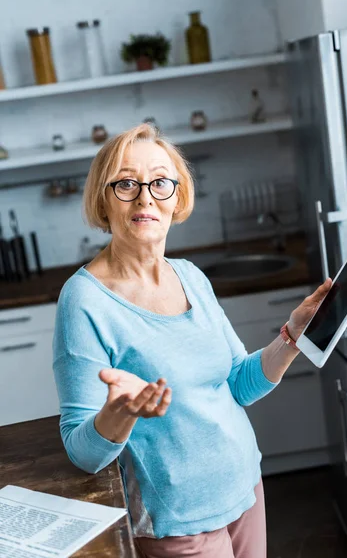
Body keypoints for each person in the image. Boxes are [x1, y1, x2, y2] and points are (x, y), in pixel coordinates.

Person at [52, 123, 332, 558]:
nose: (145, 196)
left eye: (160, 182)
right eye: (126, 183)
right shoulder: (84, 299)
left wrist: (292, 336)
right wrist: (120, 413)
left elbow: (238, 383)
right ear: (103, 200)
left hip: (245, 489)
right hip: (177, 522)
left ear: (177, 196)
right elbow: (83, 454)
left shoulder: (190, 276)